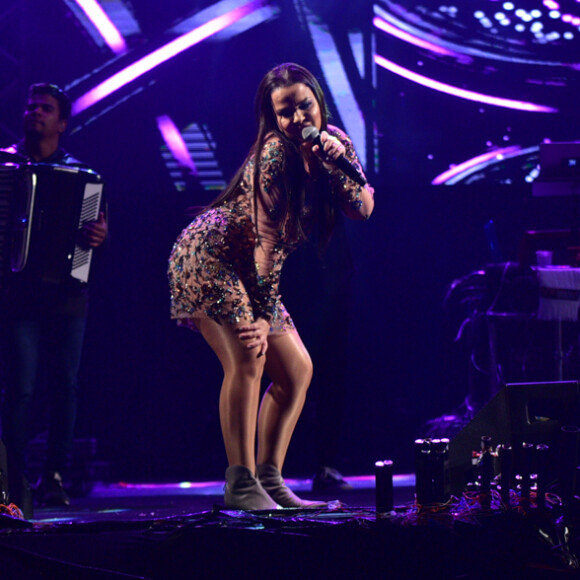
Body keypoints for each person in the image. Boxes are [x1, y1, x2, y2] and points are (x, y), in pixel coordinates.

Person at [168, 63, 374, 510]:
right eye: (285, 111)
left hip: (254, 267)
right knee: (249, 358)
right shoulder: (276, 153)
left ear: (319, 102)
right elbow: (265, 241)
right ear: (274, 118)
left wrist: (338, 160)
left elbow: (362, 207)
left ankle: (270, 480)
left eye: (305, 105)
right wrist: (261, 317)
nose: (298, 118)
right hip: (215, 256)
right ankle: (240, 484)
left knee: (298, 371)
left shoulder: (332, 143)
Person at [0, 83, 107, 516]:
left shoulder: (83, 176)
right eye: (30, 106)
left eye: (45, 108)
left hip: (66, 292)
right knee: (20, 389)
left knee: (65, 386)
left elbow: (97, 231)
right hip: (17, 292)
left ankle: (55, 476)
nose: (35, 113)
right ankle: (13, 477)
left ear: (61, 123)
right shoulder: (5, 164)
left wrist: (100, 237)